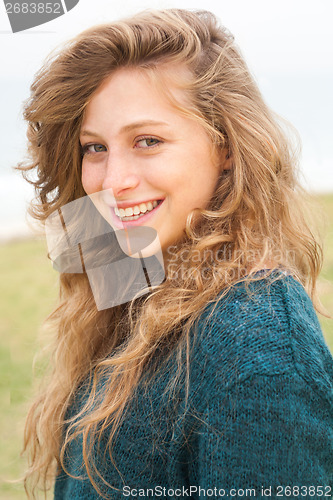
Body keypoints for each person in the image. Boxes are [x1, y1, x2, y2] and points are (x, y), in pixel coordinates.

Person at [19, 8, 333, 499]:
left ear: (226, 146)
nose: (113, 182)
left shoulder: (260, 344)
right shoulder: (136, 269)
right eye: (94, 148)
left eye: (148, 141)